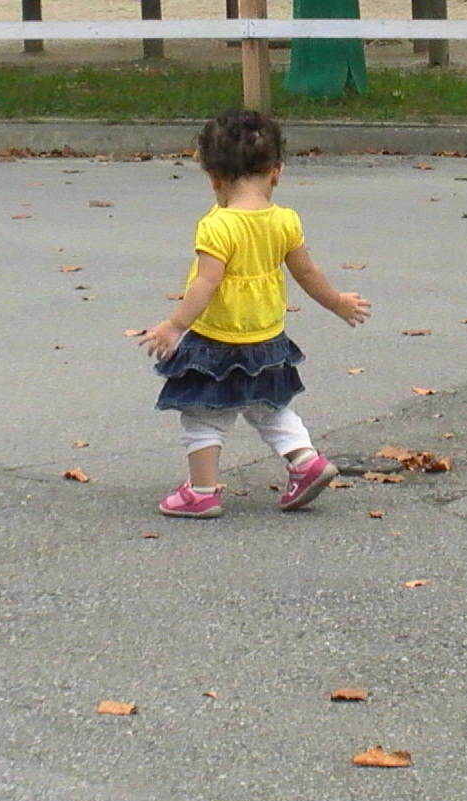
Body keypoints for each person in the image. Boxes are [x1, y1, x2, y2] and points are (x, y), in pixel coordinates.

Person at [136, 109, 371, 517]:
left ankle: (201, 492)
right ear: (277, 171)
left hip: (217, 341)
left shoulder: (218, 226)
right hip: (266, 339)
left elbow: (206, 282)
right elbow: (307, 272)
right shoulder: (285, 221)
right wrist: (337, 302)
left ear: (213, 177)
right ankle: (306, 461)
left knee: (203, 416)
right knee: (269, 407)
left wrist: (175, 325)